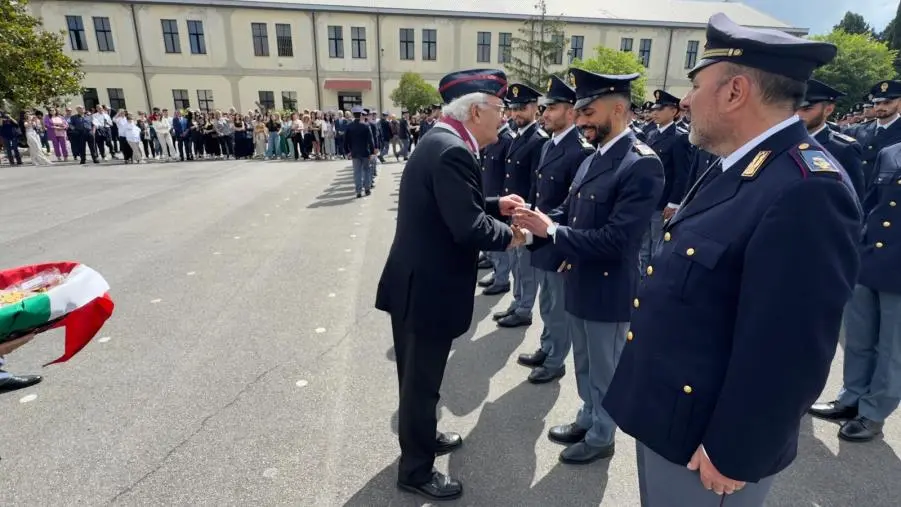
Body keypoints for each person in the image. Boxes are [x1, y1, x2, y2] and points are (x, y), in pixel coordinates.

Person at [602, 13, 861, 506]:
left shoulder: (807, 190)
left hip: (708, 449)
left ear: (735, 91)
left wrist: (735, 449)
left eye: (696, 84)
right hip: (666, 417)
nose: (686, 100)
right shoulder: (739, 165)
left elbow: (791, 349)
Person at [375, 68, 527, 502]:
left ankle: (421, 440)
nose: (504, 117)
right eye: (499, 109)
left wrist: (498, 204)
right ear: (477, 110)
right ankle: (416, 470)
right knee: (420, 385)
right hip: (427, 291)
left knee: (419, 382)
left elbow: (457, 204)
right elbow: (466, 226)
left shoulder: (443, 141)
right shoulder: (452, 150)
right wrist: (513, 235)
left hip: (416, 285)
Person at [514, 67, 664, 464]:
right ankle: (588, 415)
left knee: (605, 370)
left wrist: (555, 233)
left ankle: (602, 437)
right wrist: (534, 226)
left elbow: (617, 240)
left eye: (588, 112)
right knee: (584, 364)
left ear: (618, 108)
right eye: (578, 112)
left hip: (609, 286)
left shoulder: (640, 163)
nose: (581, 121)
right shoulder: (594, 156)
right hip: (579, 277)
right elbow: (571, 210)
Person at [808, 138, 901, 442]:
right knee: (859, 338)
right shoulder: (891, 152)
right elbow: (871, 203)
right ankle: (851, 398)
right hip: (871, 259)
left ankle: (873, 412)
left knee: (892, 349)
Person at [516, 75, 595, 384]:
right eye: (545, 108)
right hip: (542, 236)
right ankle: (549, 346)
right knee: (548, 301)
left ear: (572, 110)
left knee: (558, 305)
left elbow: (578, 208)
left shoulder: (580, 150)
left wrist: (565, 247)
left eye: (553, 108)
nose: (545, 114)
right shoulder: (550, 144)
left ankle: (555, 360)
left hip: (558, 239)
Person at [493, 83, 548, 327]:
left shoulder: (538, 140)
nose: (516, 114)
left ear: (535, 108)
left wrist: (528, 215)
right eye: (513, 108)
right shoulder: (518, 137)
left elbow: (537, 183)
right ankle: (517, 303)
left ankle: (525, 309)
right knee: (516, 262)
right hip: (513, 212)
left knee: (526, 267)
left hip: (526, 214)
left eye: (522, 108)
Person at [639, 89, 692, 275]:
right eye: (654, 109)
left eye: (660, 109)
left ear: (674, 111)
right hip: (646, 200)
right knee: (643, 247)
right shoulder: (652, 134)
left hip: (662, 203)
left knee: (658, 247)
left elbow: (681, 174)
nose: (655, 113)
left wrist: (674, 202)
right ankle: (640, 282)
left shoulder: (679, 137)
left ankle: (651, 285)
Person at [797, 79, 866, 202]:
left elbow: (854, 197)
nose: (798, 115)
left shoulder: (843, 148)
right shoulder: (784, 141)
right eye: (795, 108)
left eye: (806, 109)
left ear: (828, 110)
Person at [343, 106, 376, 198]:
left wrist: (347, 152)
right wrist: (373, 152)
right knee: (367, 170)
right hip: (365, 152)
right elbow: (371, 140)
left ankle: (358, 191)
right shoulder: (366, 126)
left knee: (357, 172)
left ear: (353, 115)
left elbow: (345, 141)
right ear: (361, 114)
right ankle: (367, 189)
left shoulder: (349, 127)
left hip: (354, 152)